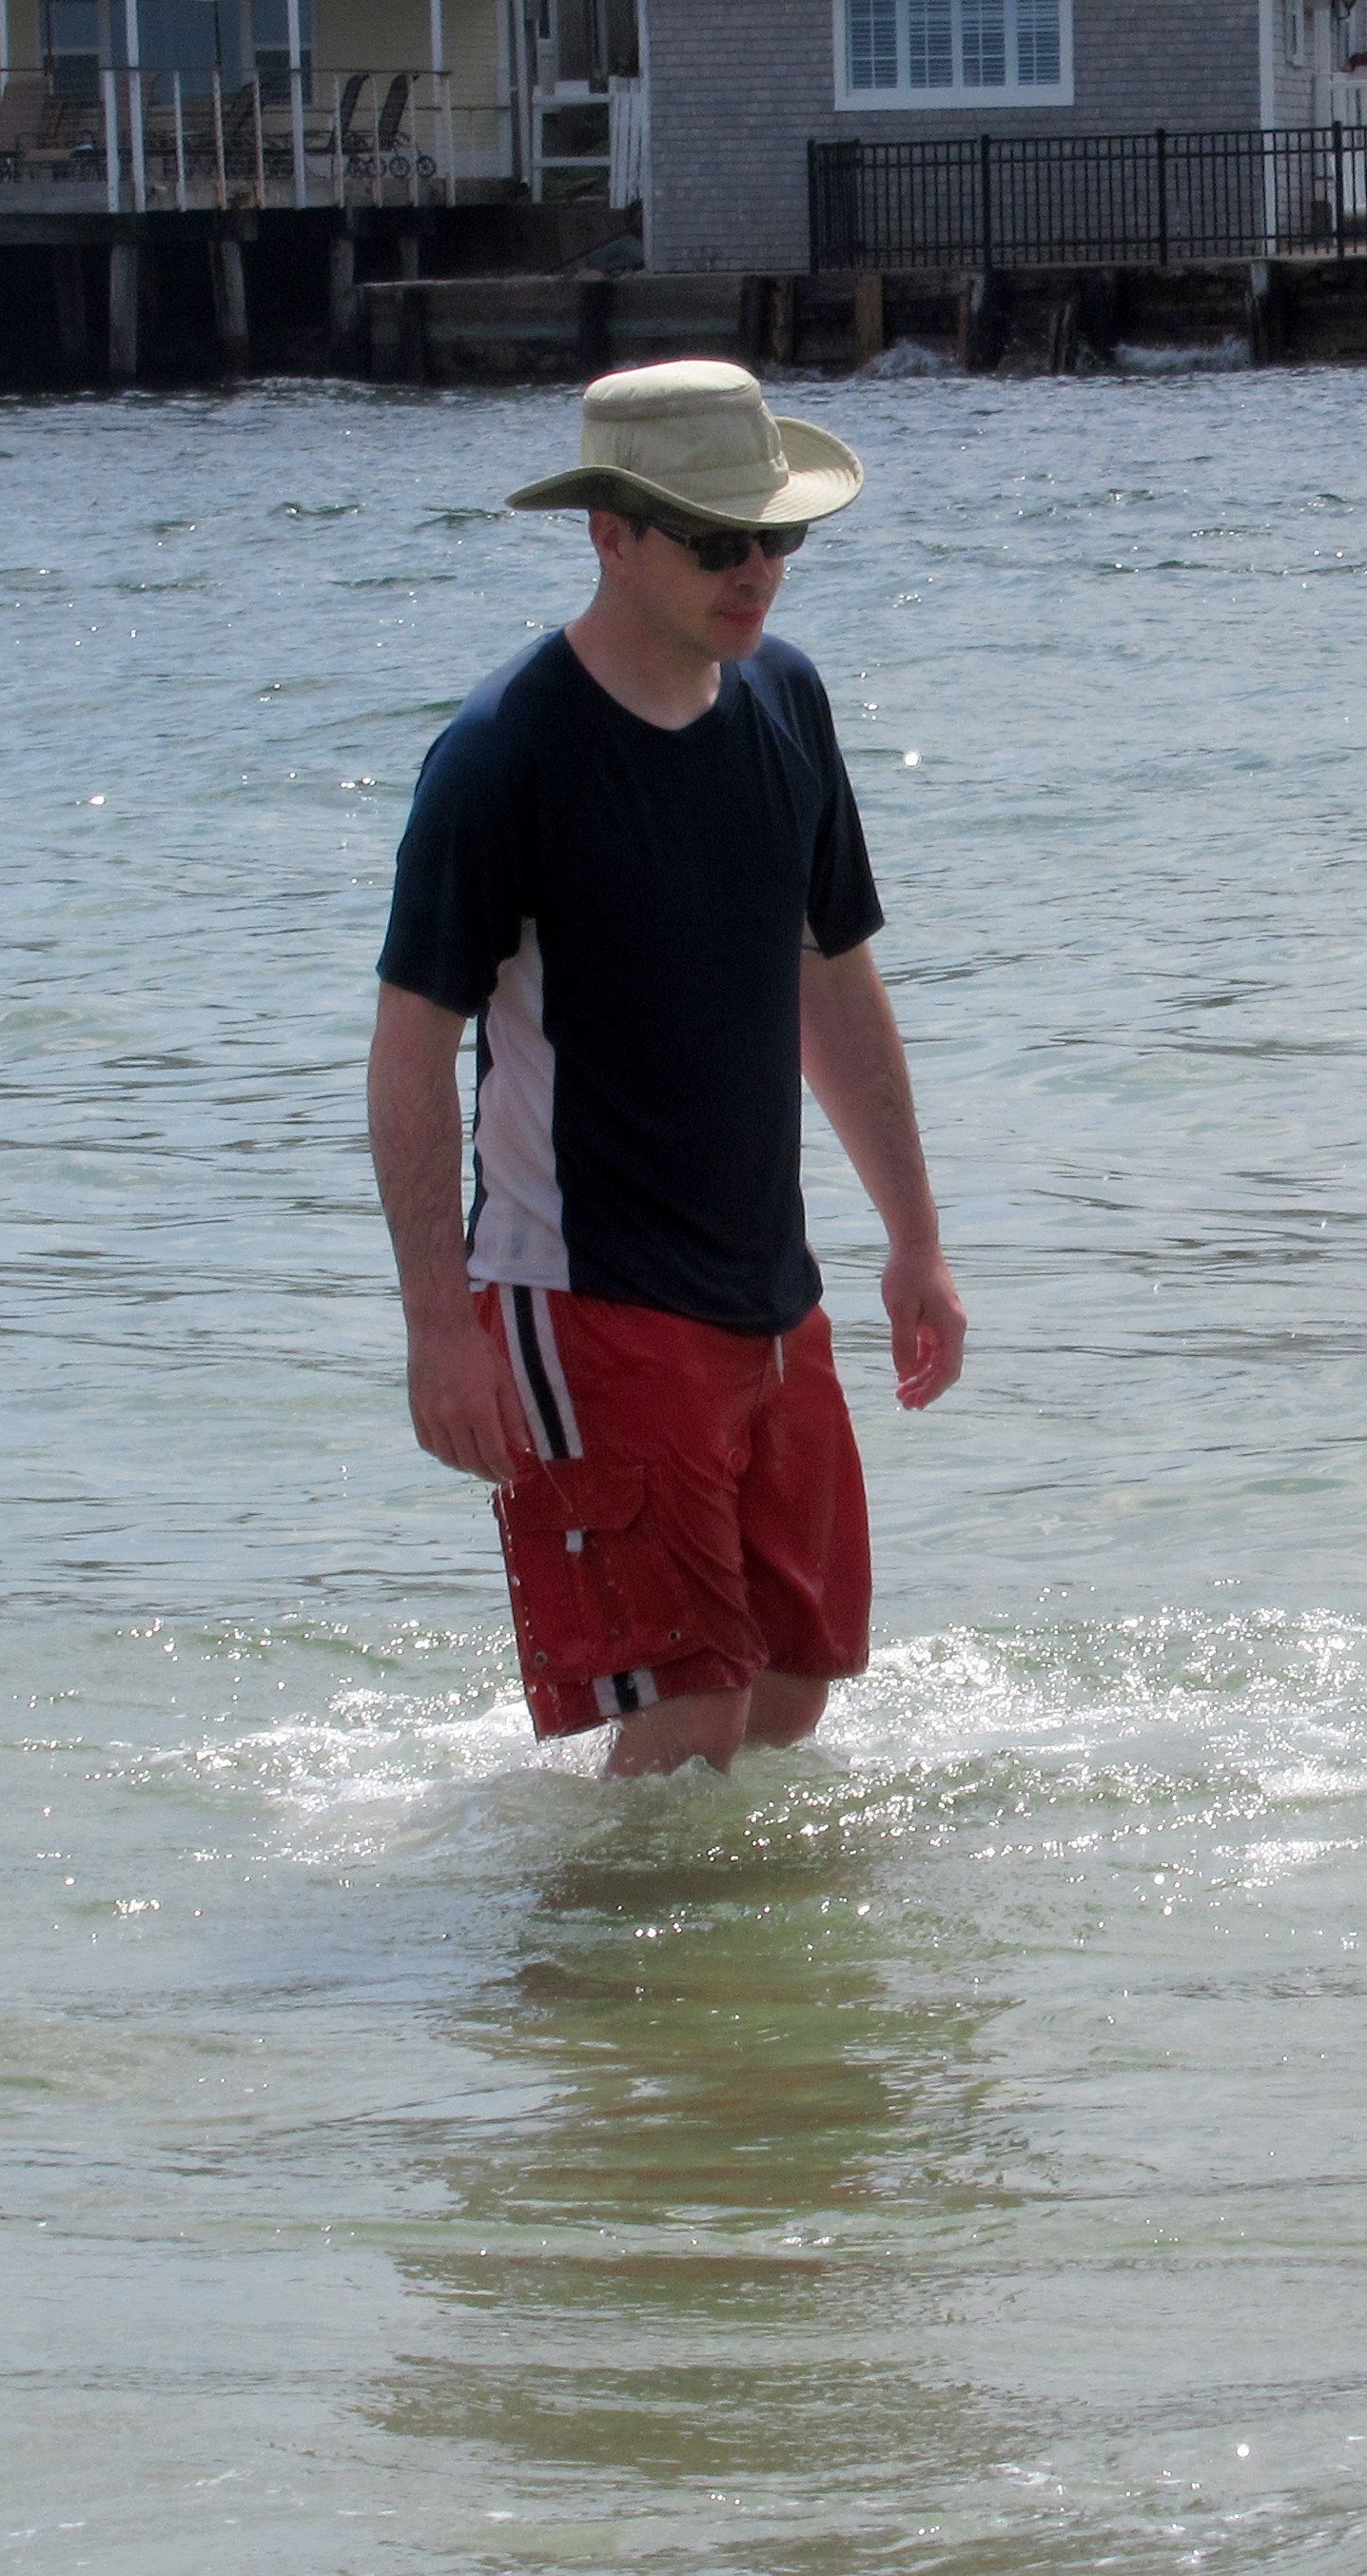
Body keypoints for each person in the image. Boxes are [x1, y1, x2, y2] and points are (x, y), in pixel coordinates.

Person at [365, 360, 965, 1779]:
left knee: (794, 1684)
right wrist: (438, 1326)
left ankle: (640, 1931)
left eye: (775, 534)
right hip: (586, 1296)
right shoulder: (503, 754)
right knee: (690, 1711)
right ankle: (570, 1931)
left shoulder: (788, 702)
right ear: (611, 535)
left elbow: (831, 975)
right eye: (713, 540)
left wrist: (914, 1238)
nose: (753, 569)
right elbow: (410, 1048)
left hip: (768, 1297)